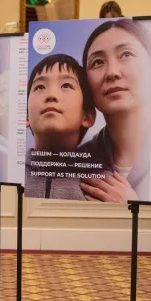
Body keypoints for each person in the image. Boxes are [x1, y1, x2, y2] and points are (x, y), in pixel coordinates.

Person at [79, 18, 151, 202]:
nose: (112, 72)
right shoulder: (78, 161)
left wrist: (130, 208)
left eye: (126, 55)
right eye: (97, 62)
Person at [25, 54, 97, 199]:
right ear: (25, 117)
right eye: (40, 87)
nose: (51, 95)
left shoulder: (100, 183)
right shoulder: (9, 170)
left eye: (66, 85)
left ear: (87, 116)